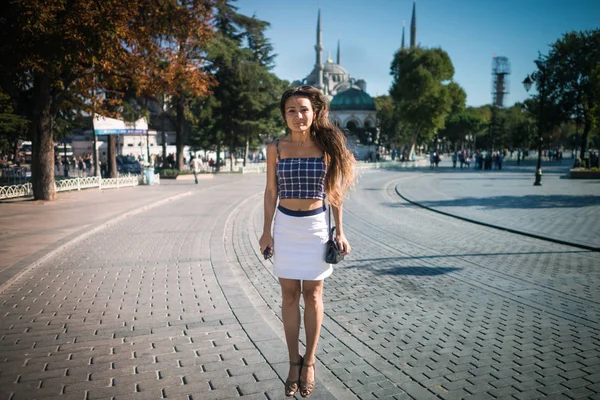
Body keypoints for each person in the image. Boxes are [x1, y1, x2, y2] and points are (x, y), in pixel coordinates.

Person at [259, 86, 355, 398]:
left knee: (312, 296)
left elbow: (335, 192)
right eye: (291, 110)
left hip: (316, 227)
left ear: (314, 112)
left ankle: (309, 362)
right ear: (283, 114)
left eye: (304, 110)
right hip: (286, 227)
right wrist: (266, 230)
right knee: (288, 296)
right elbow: (271, 191)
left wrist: (339, 231)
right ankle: (292, 361)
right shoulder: (276, 147)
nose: (298, 116)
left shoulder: (326, 146)